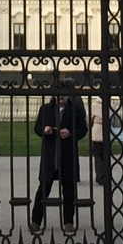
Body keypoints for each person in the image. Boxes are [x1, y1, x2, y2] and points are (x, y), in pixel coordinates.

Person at [30, 80, 88, 232]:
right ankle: (36, 220)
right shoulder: (46, 109)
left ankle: (68, 221)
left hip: (67, 154)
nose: (61, 97)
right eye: (58, 95)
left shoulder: (74, 109)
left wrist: (71, 133)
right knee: (43, 188)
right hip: (51, 154)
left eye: (64, 95)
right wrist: (45, 130)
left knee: (68, 189)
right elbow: (37, 128)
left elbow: (83, 129)